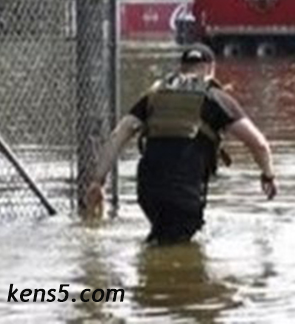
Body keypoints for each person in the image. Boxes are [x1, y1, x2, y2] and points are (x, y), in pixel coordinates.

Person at [86, 44, 277, 244]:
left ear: (181, 67)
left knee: (160, 239)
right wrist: (268, 175)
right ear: (211, 68)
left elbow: (119, 134)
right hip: (185, 193)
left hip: (148, 191)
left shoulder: (154, 95)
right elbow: (260, 145)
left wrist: (97, 181)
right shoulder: (216, 97)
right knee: (175, 252)